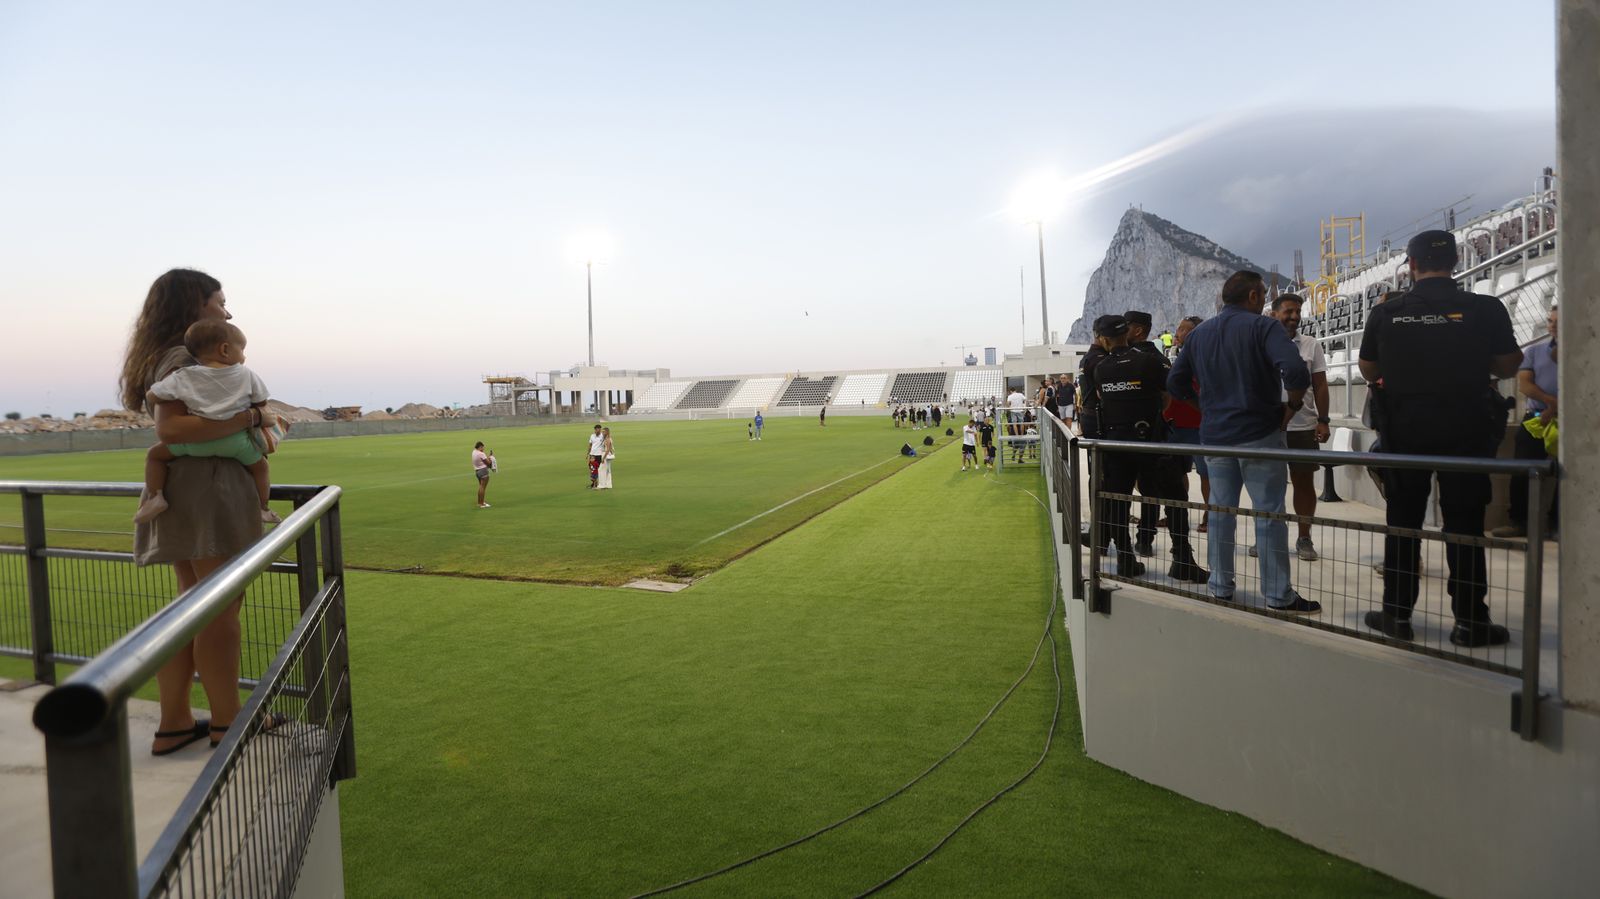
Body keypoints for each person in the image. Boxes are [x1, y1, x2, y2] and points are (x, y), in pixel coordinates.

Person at [121, 268, 277, 755]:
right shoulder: (184, 359)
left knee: (192, 605)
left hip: (187, 489)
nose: (227, 313)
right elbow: (174, 431)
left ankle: (174, 722)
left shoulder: (163, 357)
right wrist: (250, 418)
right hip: (209, 491)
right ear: (196, 304)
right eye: (219, 302)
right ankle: (228, 722)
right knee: (220, 607)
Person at [1358, 230, 1522, 646]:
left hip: (1404, 433)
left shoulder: (1386, 313)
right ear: (1455, 262)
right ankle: (1470, 621)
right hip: (1465, 432)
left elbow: (1367, 369)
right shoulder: (1485, 308)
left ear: (1410, 266)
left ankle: (1397, 615)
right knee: (1465, 526)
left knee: (1402, 524)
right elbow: (1507, 365)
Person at [1169, 270, 1319, 613]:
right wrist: (1292, 407)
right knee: (1268, 514)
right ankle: (1278, 595)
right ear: (1253, 296)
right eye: (1263, 294)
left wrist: (1204, 408)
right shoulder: (1263, 326)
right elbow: (1296, 372)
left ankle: (1220, 586)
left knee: (1220, 512)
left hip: (1216, 437)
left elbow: (1175, 383)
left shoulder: (1200, 333)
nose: (1264, 299)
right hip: (1259, 434)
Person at [1090, 316, 1208, 583]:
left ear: (1105, 339)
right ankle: (1182, 559)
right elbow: (1170, 393)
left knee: (1118, 502)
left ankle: (1125, 559)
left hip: (1116, 446)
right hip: (1151, 442)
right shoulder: (1150, 361)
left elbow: (1102, 398)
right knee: (1175, 499)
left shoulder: (1101, 368)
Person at [134, 320, 279, 525]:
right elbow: (262, 403)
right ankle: (263, 508)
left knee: (155, 456)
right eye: (242, 349)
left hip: (194, 444)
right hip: (235, 442)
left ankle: (155, 497)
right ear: (225, 349)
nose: (244, 356)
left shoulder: (184, 375)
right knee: (261, 467)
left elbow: (152, 395)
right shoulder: (246, 374)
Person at [1271, 294, 1330, 561]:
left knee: (1303, 483)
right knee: (1270, 486)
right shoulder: (1262, 344)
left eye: (1298, 311)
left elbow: (1319, 384)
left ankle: (1304, 538)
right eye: (1288, 311)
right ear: (1274, 314)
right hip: (1269, 427)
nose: (1294, 316)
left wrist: (1323, 419)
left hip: (1303, 426)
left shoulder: (1311, 345)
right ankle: (1270, 536)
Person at [1494, 305, 1559, 539]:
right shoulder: (1535, 351)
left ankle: (1558, 523)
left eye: (1558, 321)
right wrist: (1552, 403)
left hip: (1569, 422)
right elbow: (1525, 385)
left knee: (1568, 474)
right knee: (1522, 470)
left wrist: (1558, 408)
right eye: (1550, 321)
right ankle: (1519, 521)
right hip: (1537, 420)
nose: (1552, 325)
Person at [1125, 309, 1168, 554]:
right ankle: (1139, 540)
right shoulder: (1150, 357)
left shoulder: (1153, 358)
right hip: (1139, 434)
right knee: (1142, 488)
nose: (1122, 331)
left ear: (1138, 329)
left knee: (1148, 488)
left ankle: (1144, 539)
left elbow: (1167, 396)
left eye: (1126, 326)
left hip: (1148, 435)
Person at [1164, 316, 1209, 532]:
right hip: (1177, 426)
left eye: (1183, 329)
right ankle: (1176, 514)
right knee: (1176, 474)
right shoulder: (1177, 358)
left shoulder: (1206, 358)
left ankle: (1210, 514)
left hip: (1201, 427)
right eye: (1178, 328)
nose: (1177, 333)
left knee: (1207, 474)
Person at [473, 441, 495, 507]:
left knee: (481, 487)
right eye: (482, 448)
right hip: (483, 471)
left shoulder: (474, 452)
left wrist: (488, 458)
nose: (483, 449)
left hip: (477, 471)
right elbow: (488, 464)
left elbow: (483, 461)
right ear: (480, 446)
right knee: (483, 487)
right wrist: (491, 458)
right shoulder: (481, 454)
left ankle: (480, 502)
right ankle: (482, 503)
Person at [587, 424, 606, 489]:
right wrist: (588, 453)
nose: (598, 430)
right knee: (592, 469)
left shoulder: (603, 436)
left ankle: (598, 484)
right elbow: (590, 445)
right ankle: (594, 483)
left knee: (598, 469)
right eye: (597, 429)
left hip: (599, 455)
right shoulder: (592, 436)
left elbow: (607, 442)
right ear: (595, 429)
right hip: (592, 454)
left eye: (599, 429)